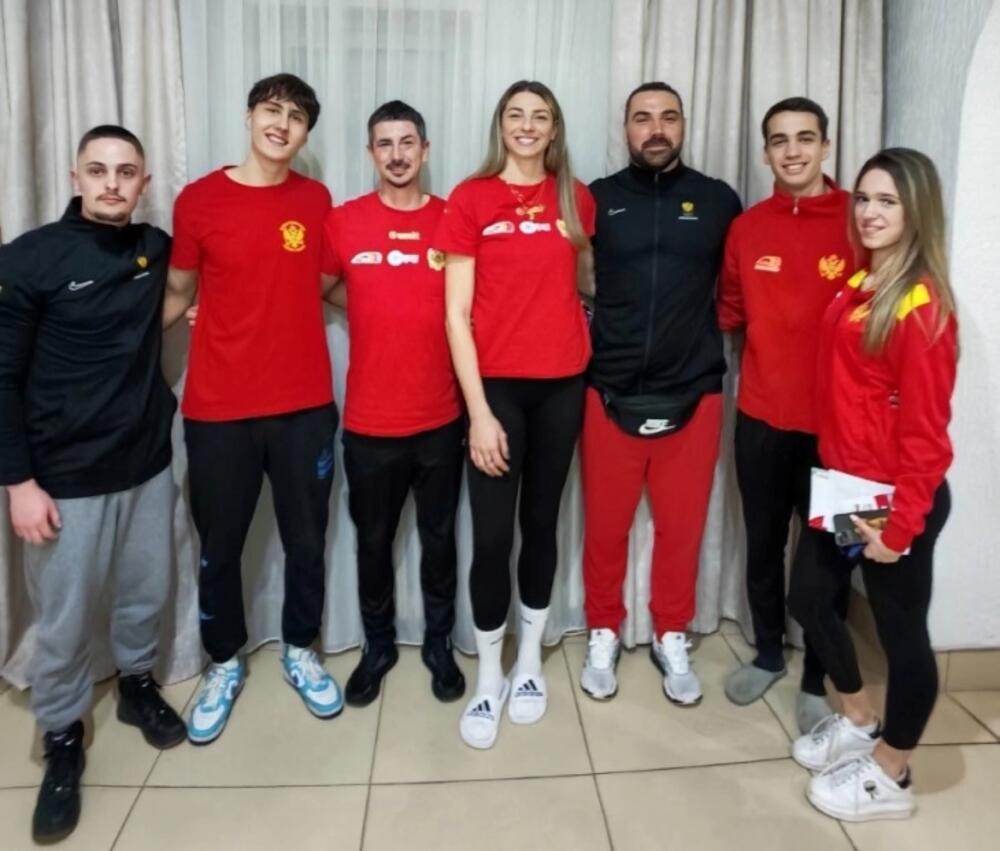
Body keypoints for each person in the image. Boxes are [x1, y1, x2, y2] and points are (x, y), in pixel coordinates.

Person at [0, 126, 185, 842]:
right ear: (76, 177)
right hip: (62, 477)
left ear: (144, 183)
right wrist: (17, 482)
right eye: (99, 170)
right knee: (64, 616)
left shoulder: (155, 248)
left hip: (146, 462)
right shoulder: (29, 258)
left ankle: (136, 686)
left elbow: (185, 291)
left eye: (126, 172)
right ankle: (62, 735)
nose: (113, 183)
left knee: (145, 591)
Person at [164, 74, 341, 744]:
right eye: (272, 110)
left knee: (306, 540)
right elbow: (178, 290)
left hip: (304, 406)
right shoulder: (199, 200)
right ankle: (223, 661)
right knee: (220, 546)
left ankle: (300, 647)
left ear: (305, 133)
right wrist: (108, 346)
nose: (282, 124)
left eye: (296, 117)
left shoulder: (316, 200)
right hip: (219, 409)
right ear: (249, 116)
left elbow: (323, 283)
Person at [787, 148, 957, 822]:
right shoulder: (861, 282)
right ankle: (859, 717)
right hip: (844, 487)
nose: (869, 212)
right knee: (810, 599)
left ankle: (892, 770)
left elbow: (927, 435)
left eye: (887, 201)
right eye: (863, 198)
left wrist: (903, 525)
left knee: (902, 634)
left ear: (917, 210)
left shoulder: (921, 306)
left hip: (892, 503)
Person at [436, 80, 595, 749]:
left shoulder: (575, 197)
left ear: (554, 129)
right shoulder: (471, 198)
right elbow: (455, 314)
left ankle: (529, 661)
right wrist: (478, 412)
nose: (527, 126)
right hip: (495, 391)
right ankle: (489, 675)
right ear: (500, 125)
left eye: (541, 117)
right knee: (493, 537)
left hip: (562, 388)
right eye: (516, 115)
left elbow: (581, 283)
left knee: (541, 525)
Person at [579, 83, 741, 705]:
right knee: (605, 527)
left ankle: (672, 632)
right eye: (643, 118)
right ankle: (603, 629)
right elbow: (571, 279)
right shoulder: (596, 199)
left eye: (668, 117)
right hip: (608, 389)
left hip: (694, 391)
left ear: (683, 125)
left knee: (682, 528)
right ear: (625, 128)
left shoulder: (718, 200)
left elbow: (735, 292)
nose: (656, 129)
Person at [718, 97, 857, 733]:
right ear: (766, 152)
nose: (793, 151)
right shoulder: (747, 228)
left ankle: (817, 676)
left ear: (826, 146)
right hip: (761, 419)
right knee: (764, 544)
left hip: (841, 433)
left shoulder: (860, 220)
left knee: (830, 557)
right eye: (780, 140)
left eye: (805, 138)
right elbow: (731, 311)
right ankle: (770, 653)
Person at [323, 101, 465, 706]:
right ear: (370, 153)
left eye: (408, 142)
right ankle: (377, 647)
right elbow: (316, 288)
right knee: (373, 543)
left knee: (439, 542)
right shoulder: (343, 221)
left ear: (425, 150)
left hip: (440, 419)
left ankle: (439, 645)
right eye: (385, 144)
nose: (398, 155)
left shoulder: (452, 218)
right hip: (369, 423)